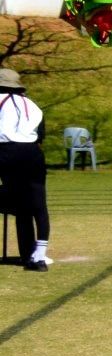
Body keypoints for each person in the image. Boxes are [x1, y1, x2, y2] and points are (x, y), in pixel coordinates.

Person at [0, 67, 49, 270]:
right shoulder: (33, 105)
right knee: (37, 204)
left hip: (4, 150)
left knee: (17, 202)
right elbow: (40, 135)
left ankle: (6, 203)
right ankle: (36, 256)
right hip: (32, 154)